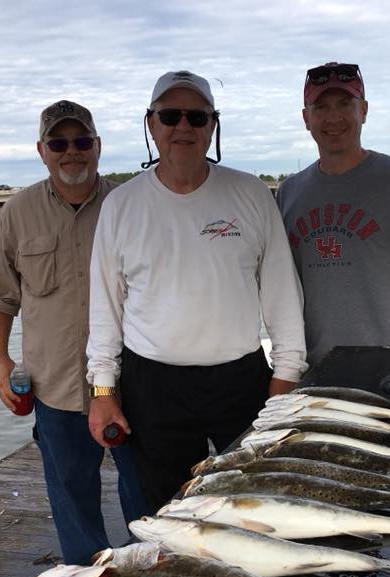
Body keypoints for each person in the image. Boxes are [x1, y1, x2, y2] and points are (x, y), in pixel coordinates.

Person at [86, 70, 308, 514]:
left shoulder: (250, 193)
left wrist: (286, 376)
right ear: (151, 124)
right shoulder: (121, 206)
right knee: (168, 511)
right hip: (153, 383)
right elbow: (105, 307)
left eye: (196, 116)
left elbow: (283, 294)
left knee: (257, 503)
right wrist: (103, 391)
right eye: (170, 115)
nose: (182, 126)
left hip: (241, 379)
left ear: (213, 124)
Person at [0, 99, 145, 564]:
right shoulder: (17, 212)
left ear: (98, 146)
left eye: (81, 141)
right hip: (56, 389)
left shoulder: (131, 204)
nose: (71, 151)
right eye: (59, 142)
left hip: (133, 384)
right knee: (71, 500)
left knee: (147, 499)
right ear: (42, 150)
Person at [276, 62, 390, 367]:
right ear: (306, 118)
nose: (333, 117)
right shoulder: (288, 193)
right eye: (321, 107)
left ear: (364, 110)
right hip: (317, 369)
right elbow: (282, 288)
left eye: (345, 104)